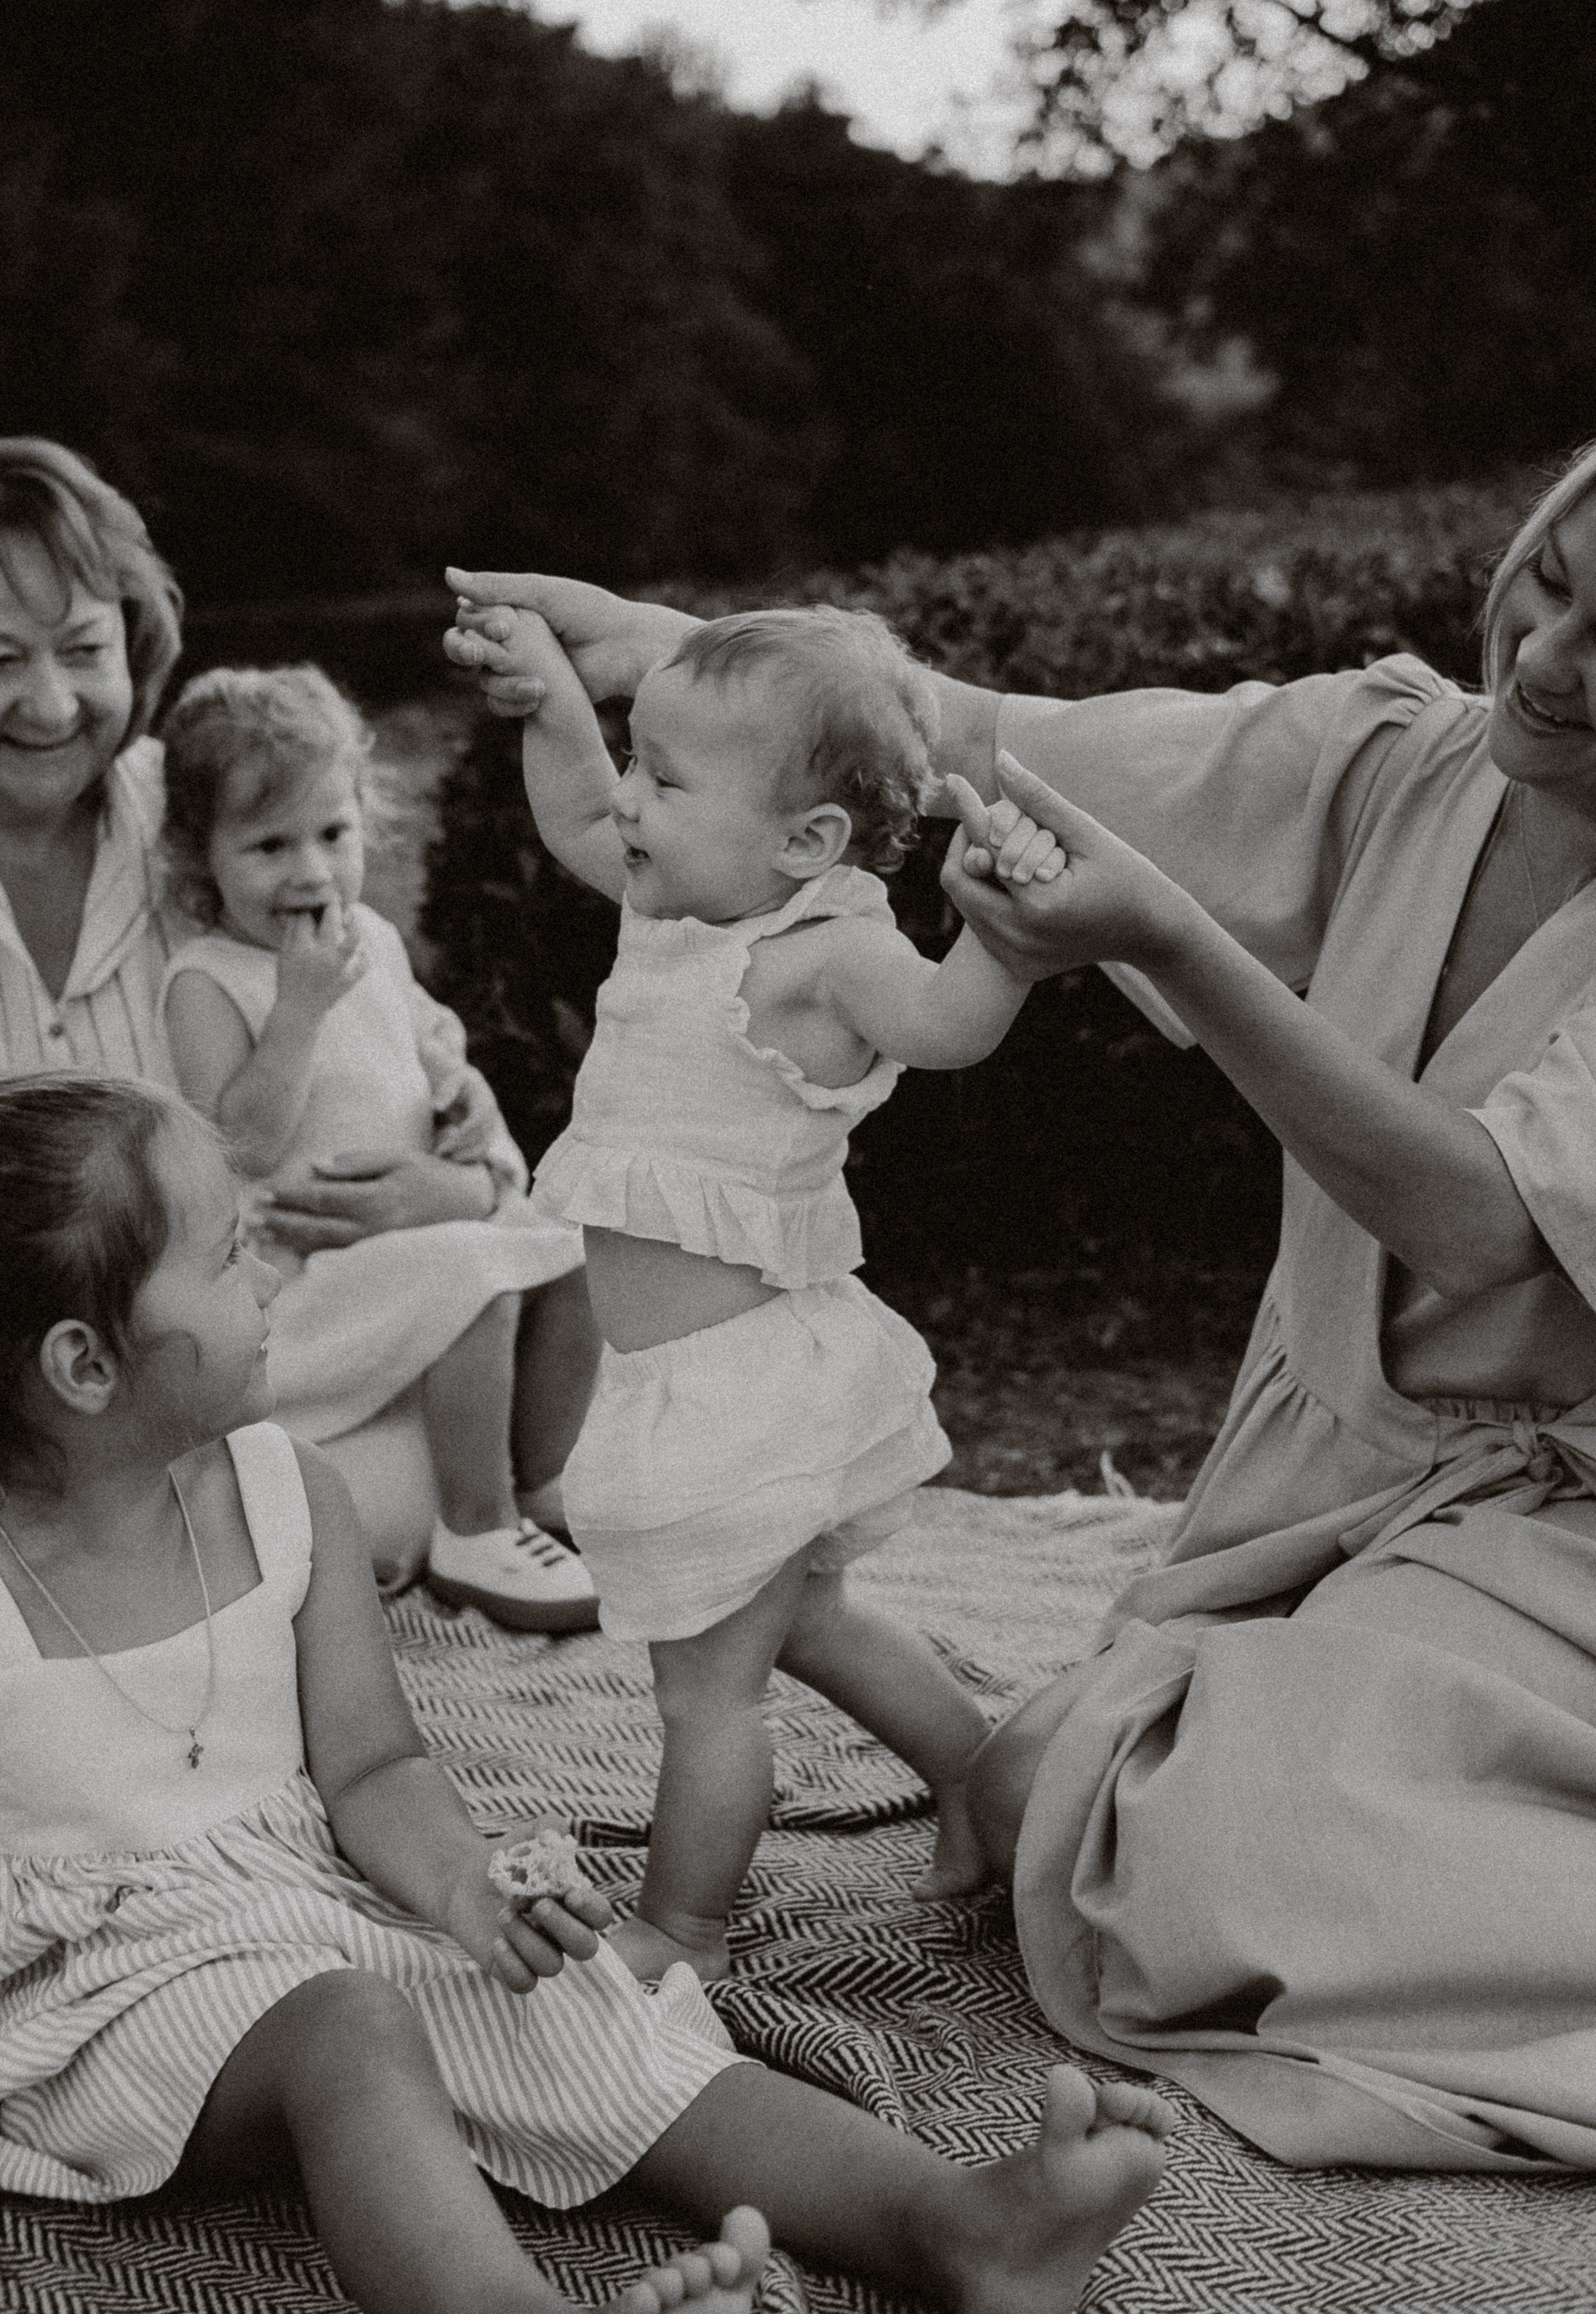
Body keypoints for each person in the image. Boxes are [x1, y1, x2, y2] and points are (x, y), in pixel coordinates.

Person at [442, 454, 1596, 2175]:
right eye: (1553, 579)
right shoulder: (1387, 761)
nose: (1551, 653)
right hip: (1329, 1477)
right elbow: (978, 739)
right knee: (1109, 1799)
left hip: (1551, 1526)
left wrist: (1176, 942)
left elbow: (1483, 1221)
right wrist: (678, 657)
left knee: (1206, 1849)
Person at [0, 1070, 1174, 2314]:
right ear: (85, 1364)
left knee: (572, 2002)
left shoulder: (291, 1493)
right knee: (346, 2027)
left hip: (294, 1904)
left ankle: (965, 2231)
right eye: (229, 1257)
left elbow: (373, 1769)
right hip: (79, 1991)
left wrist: (462, 1891)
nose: (273, 1277)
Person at [449, 597, 1066, 1984]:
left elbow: (950, 1029)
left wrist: (1006, 935)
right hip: (689, 1383)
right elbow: (569, 821)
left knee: (704, 1693)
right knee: (807, 1623)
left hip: (738, 1403)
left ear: (808, 843)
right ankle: (972, 1771)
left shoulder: (821, 951)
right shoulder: (680, 905)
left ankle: (687, 1932)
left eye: (664, 780)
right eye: (635, 762)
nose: (628, 802)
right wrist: (550, 695)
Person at [0, 439, 558, 1583]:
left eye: (85, 650)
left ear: (133, 644)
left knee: (391, 1476)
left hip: (260, 1387)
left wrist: (448, 1189)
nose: (52, 704)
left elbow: (452, 1113)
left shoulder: (234, 821)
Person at [159, 663, 600, 1631]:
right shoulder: (208, 979)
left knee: (580, 1245)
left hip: (403, 1251)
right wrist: (298, 1012)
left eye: (333, 834)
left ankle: (552, 1488)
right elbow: (237, 1144)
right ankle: (476, 1533)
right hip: (304, 1282)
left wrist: (469, 1103)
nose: (311, 872)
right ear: (202, 856)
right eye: (270, 845)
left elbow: (432, 1054)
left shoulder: (370, 940)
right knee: (470, 1268)